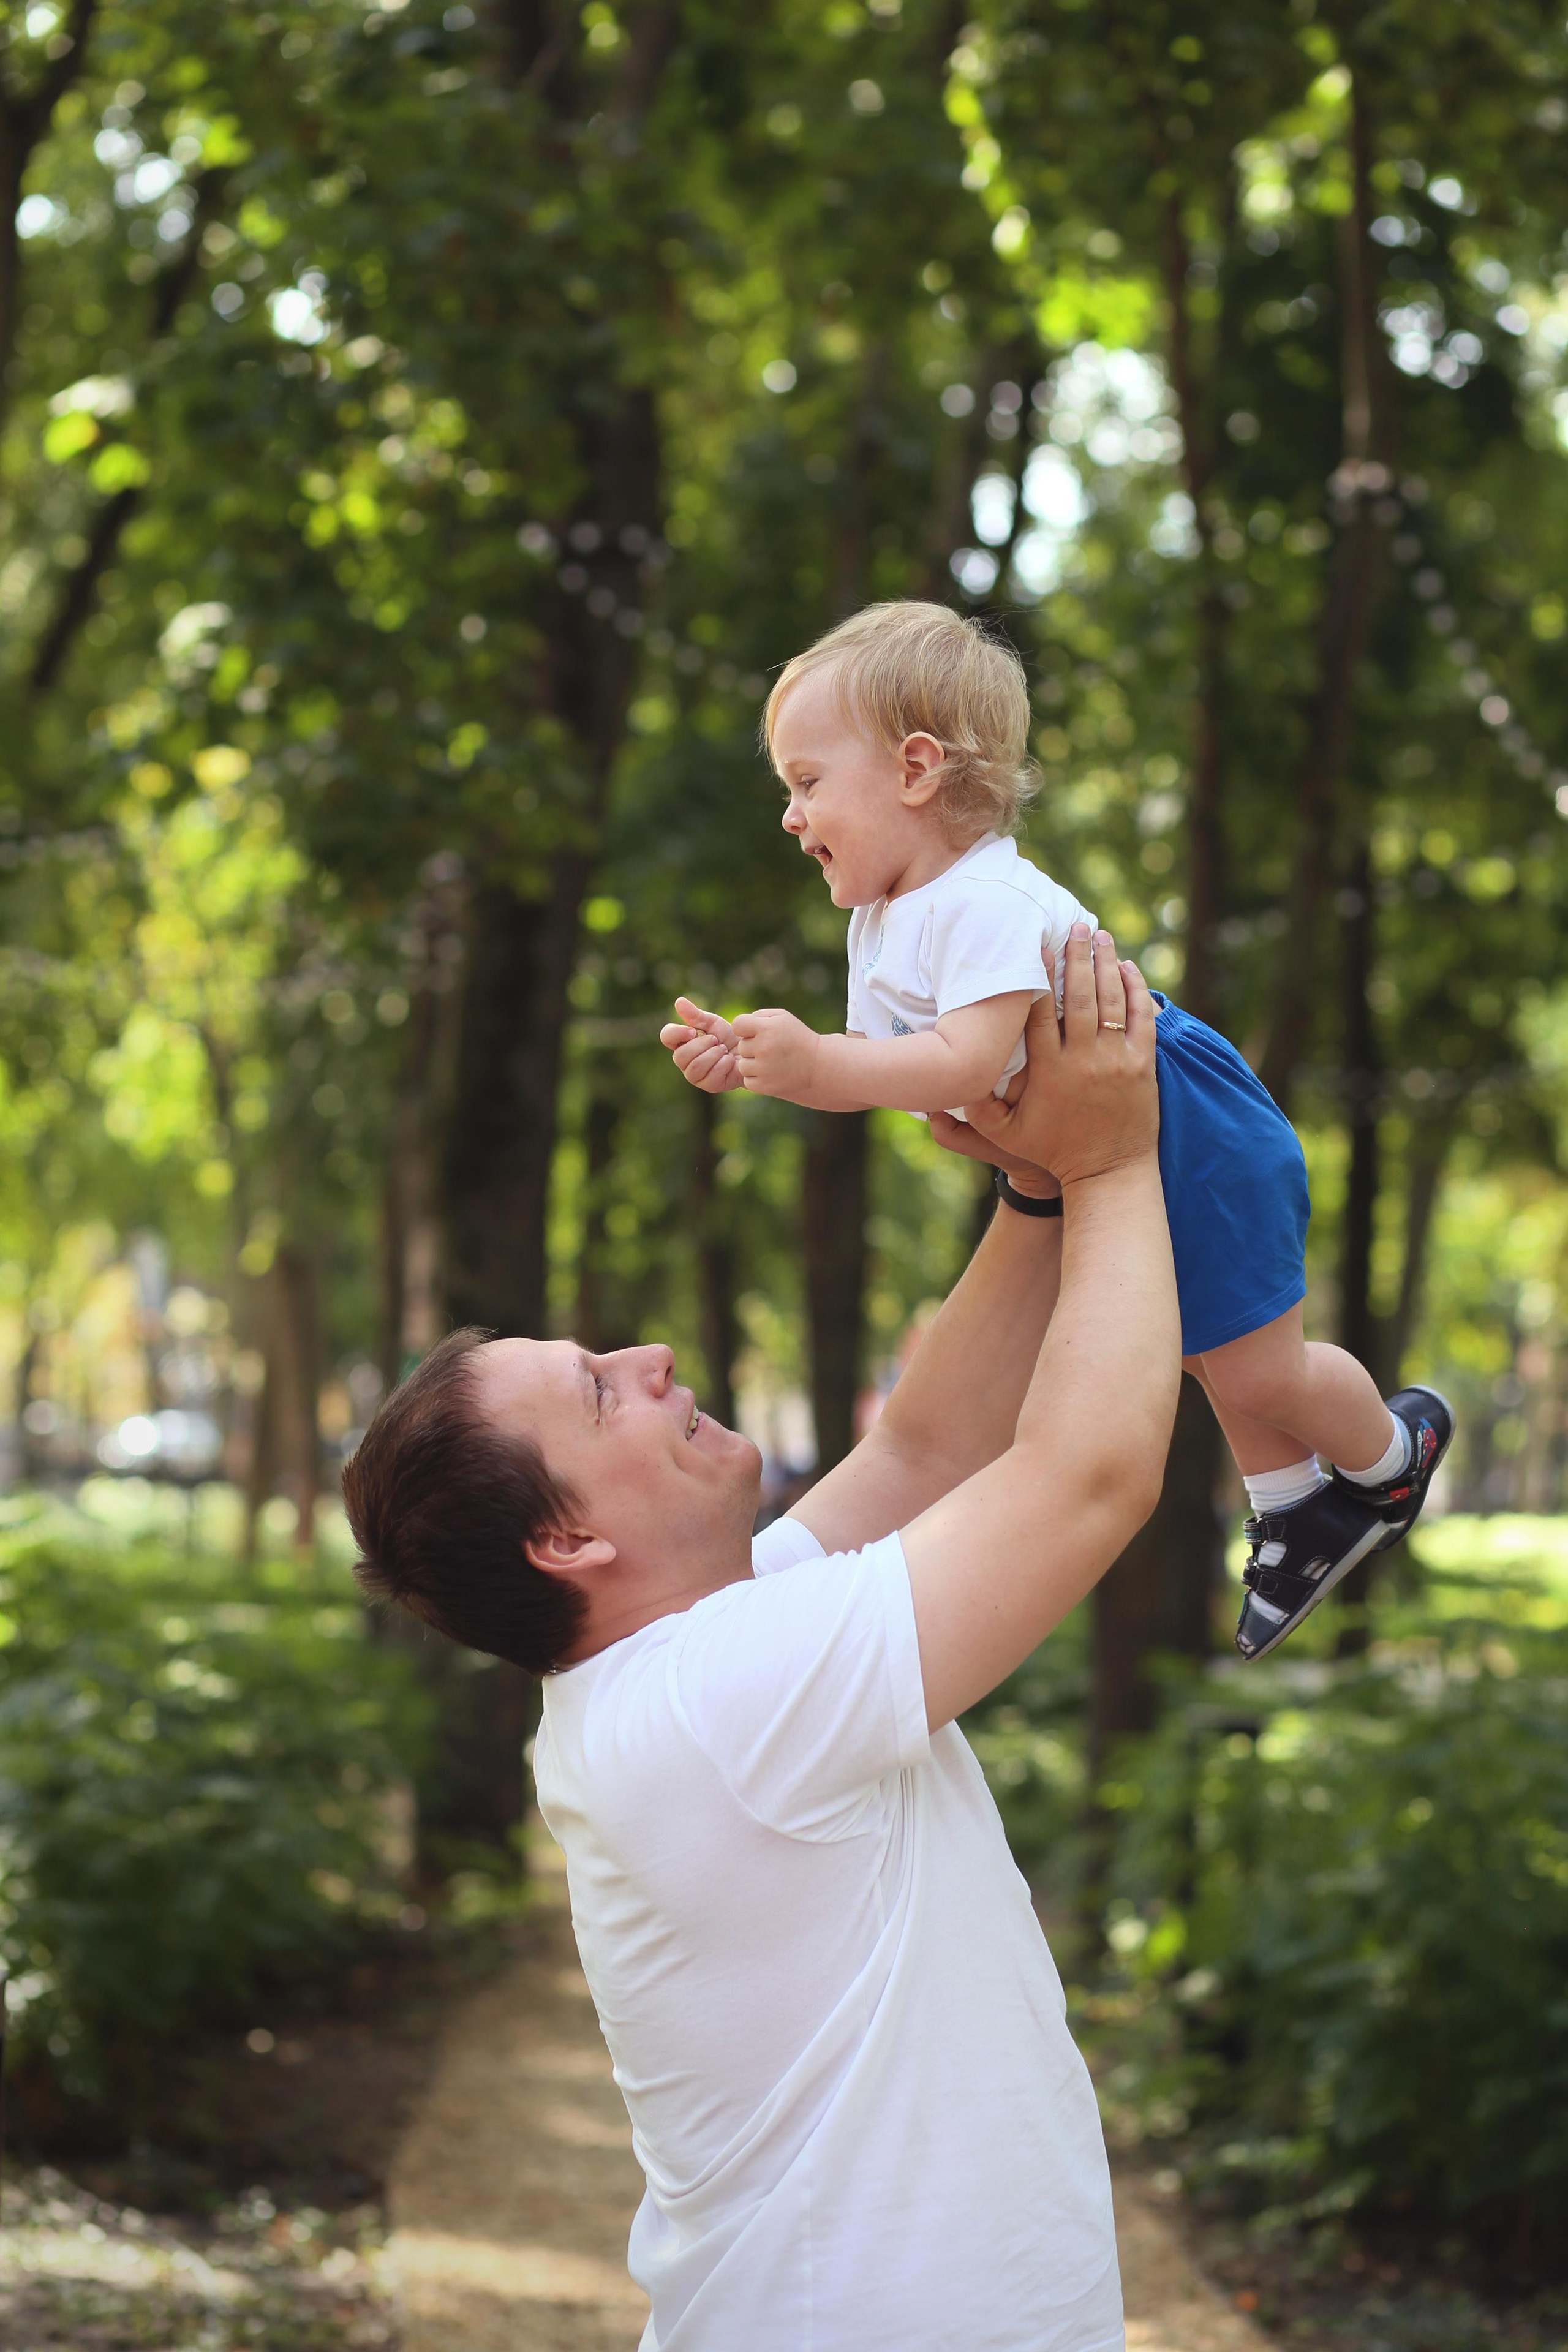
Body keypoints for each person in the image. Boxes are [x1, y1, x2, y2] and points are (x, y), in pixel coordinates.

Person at [345, 933, 1174, 2352]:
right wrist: (1110, 1163)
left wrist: (1034, 1193)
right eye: (598, 1395)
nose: (649, 1358)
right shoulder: (716, 1702)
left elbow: (921, 1447)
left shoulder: (702, 1649)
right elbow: (1086, 1478)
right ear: (567, 1542)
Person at [660, 600, 1452, 1659]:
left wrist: (811, 1066)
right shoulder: (882, 921)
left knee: (1255, 1366)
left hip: (1185, 1122)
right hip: (1102, 1138)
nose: (794, 818)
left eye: (808, 784)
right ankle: (1297, 1507)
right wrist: (771, 1068)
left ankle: (1392, 1457)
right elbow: (899, 1073)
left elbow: (961, 1063)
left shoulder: (982, 898)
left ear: (917, 769)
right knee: (1203, 1351)